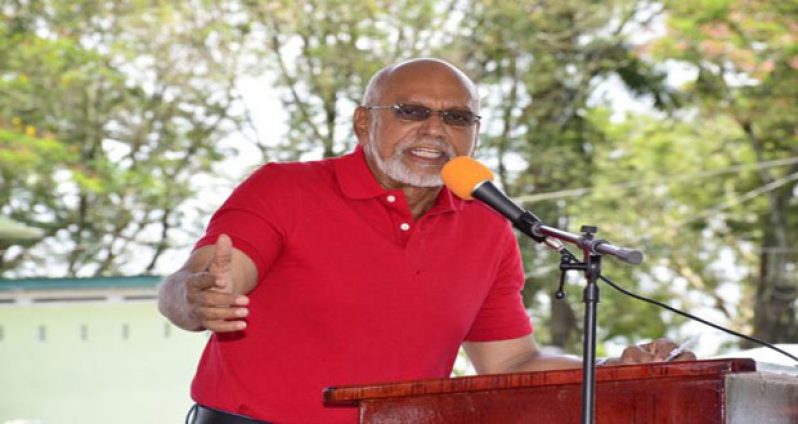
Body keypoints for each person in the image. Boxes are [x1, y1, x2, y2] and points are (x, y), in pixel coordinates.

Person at [158, 58, 695, 424]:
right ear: (363, 121)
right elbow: (209, 277)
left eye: (456, 117)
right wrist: (198, 294)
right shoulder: (286, 187)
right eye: (412, 111)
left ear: (474, 135)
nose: (435, 130)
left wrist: (613, 372)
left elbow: (508, 364)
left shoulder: (488, 225)